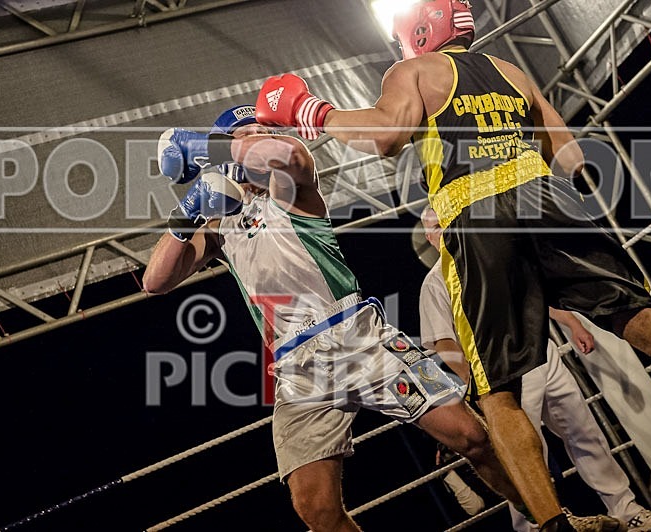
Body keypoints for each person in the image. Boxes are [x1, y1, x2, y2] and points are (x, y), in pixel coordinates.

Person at [253, 0, 651, 528]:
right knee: (650, 326)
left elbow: (386, 136)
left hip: (478, 217)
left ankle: (552, 525)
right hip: (548, 200)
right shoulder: (511, 71)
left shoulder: (414, 71)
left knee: (497, 394)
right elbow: (569, 154)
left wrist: (314, 111)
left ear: (419, 32)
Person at [143, 106, 527, 532]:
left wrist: (204, 147)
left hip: (354, 333)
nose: (256, 140)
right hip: (295, 365)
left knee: (470, 436)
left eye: (259, 133)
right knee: (315, 508)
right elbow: (154, 282)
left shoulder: (291, 185)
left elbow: (287, 154)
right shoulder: (221, 225)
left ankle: (547, 517)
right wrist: (187, 213)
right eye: (244, 134)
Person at [419, 206, 651, 531]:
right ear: (428, 238)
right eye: (436, 228)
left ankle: (625, 508)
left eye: (446, 223)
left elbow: (533, 295)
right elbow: (443, 342)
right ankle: (533, 528)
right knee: (523, 456)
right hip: (498, 376)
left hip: (542, 356)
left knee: (586, 433)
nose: (444, 231)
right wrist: (476, 388)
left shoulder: (487, 257)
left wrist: (573, 323)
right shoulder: (434, 283)